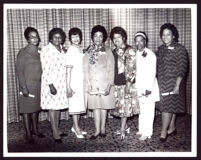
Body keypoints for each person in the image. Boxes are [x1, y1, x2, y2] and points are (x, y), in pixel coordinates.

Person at [156, 23, 189, 142]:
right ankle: (172, 127)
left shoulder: (180, 48)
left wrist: (177, 85)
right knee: (171, 106)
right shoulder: (160, 49)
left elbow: (182, 67)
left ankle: (163, 131)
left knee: (167, 107)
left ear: (173, 35)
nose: (165, 37)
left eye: (168, 34)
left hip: (174, 83)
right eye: (163, 35)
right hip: (162, 82)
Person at [83, 25, 115, 139]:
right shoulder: (88, 51)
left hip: (104, 84)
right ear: (92, 37)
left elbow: (111, 69)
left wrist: (109, 86)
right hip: (92, 85)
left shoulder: (108, 51)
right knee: (96, 107)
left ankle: (103, 129)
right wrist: (88, 83)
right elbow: (85, 69)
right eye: (95, 36)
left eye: (100, 36)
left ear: (103, 38)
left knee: (104, 107)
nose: (98, 38)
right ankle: (96, 130)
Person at [16, 27, 45, 145]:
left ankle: (36, 130)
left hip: (38, 85)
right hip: (27, 85)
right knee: (27, 111)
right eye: (32, 37)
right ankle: (28, 133)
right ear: (27, 39)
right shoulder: (22, 52)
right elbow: (19, 71)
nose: (35, 39)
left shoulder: (40, 51)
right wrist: (23, 87)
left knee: (35, 110)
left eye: (36, 36)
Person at [110, 26, 139, 140]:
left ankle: (122, 129)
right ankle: (125, 126)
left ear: (124, 37)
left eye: (119, 37)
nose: (116, 40)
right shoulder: (114, 51)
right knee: (120, 107)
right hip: (116, 83)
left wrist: (128, 84)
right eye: (114, 38)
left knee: (125, 107)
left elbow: (132, 69)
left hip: (126, 83)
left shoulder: (130, 50)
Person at [40, 28, 68, 143]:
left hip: (61, 82)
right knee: (52, 107)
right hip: (51, 83)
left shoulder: (62, 50)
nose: (57, 39)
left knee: (58, 108)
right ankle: (55, 132)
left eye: (60, 37)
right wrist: (51, 85)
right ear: (50, 38)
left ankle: (57, 129)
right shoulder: (46, 50)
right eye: (55, 37)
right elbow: (45, 69)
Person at [134, 31, 160, 141]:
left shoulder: (150, 54)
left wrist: (148, 89)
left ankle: (147, 132)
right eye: (137, 41)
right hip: (140, 86)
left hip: (149, 88)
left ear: (145, 41)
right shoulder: (137, 53)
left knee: (148, 111)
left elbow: (152, 73)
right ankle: (141, 129)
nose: (139, 43)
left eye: (141, 40)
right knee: (142, 110)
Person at [66, 27, 87, 138]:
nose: (75, 38)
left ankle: (75, 127)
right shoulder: (71, 50)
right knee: (74, 106)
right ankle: (77, 129)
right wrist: (68, 86)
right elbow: (68, 70)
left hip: (81, 81)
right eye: (73, 36)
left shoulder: (80, 49)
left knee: (79, 106)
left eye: (77, 36)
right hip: (74, 82)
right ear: (70, 38)